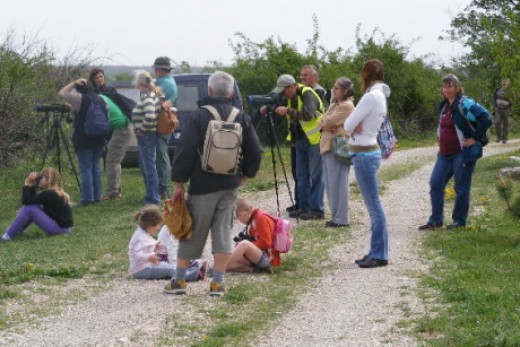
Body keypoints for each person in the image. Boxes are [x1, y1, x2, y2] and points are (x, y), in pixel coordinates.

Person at [164, 71, 262, 297]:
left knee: (192, 232)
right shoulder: (241, 116)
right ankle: (217, 283)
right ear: (230, 92)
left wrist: (179, 183)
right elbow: (255, 151)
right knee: (223, 233)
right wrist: (245, 175)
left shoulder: (199, 116)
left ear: (209, 90)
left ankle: (179, 281)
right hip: (229, 184)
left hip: (202, 185)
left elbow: (185, 150)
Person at [418, 73, 492, 231]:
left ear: (457, 87)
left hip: (462, 153)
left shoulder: (465, 103)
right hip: (444, 154)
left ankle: (459, 222)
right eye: (444, 86)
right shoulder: (443, 106)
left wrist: (475, 138)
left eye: (450, 85)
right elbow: (442, 128)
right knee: (436, 184)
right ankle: (436, 220)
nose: (447, 88)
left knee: (461, 188)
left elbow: (486, 118)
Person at [343, 59, 390, 268]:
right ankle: (375, 250)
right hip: (369, 152)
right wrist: (355, 125)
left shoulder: (371, 97)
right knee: (373, 206)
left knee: (374, 207)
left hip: (363, 154)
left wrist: (354, 125)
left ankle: (379, 254)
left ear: (365, 75)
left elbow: (347, 124)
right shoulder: (380, 95)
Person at [265, 74, 325, 220]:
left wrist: (287, 111)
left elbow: (308, 115)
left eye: (284, 91)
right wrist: (269, 109)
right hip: (300, 139)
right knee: (301, 175)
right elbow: (281, 106)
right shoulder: (290, 97)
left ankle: (317, 210)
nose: (283, 94)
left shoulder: (307, 94)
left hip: (315, 139)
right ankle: (303, 208)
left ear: (292, 87)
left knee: (315, 176)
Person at [59, 78, 106, 206]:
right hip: (99, 138)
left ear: (79, 90)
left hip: (84, 139)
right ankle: (97, 196)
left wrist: (74, 82)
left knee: (85, 169)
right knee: (96, 168)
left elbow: (62, 93)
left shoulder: (80, 98)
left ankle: (87, 198)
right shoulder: (100, 99)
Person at [128, 204, 207, 280]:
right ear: (151, 225)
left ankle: (194, 267)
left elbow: (145, 248)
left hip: (146, 266)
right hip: (141, 269)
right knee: (170, 269)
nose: (159, 228)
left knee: (168, 266)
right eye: (158, 225)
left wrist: (155, 247)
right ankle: (196, 274)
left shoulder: (143, 233)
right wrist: (148, 257)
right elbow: (137, 253)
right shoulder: (140, 236)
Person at [89, 67, 132, 200]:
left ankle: (113, 192)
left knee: (112, 161)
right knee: (113, 160)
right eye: (97, 77)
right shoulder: (98, 95)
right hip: (117, 129)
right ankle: (115, 190)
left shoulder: (106, 93)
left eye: (101, 76)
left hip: (121, 128)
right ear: (93, 81)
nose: (100, 79)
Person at [319, 77, 355, 228]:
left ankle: (341, 218)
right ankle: (336, 216)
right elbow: (322, 122)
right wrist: (327, 121)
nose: (333, 91)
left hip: (337, 148)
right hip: (328, 146)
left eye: (337, 89)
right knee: (330, 183)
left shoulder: (346, 106)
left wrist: (328, 122)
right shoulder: (335, 105)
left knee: (338, 183)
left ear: (345, 91)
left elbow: (326, 122)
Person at [1, 167, 73, 241]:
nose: (38, 180)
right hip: (65, 229)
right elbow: (32, 201)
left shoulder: (48, 194)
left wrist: (27, 184)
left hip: (60, 229)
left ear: (49, 179)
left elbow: (26, 201)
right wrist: (31, 185)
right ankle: (16, 230)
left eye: (41, 177)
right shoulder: (53, 192)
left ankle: (7, 236)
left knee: (29, 209)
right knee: (32, 207)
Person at [226, 198, 281, 273]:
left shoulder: (261, 218)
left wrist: (248, 245)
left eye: (238, 218)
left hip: (268, 258)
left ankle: (220, 269)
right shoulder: (254, 219)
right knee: (228, 260)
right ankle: (253, 269)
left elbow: (266, 243)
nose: (240, 221)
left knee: (244, 244)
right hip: (257, 256)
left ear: (241, 214)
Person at [131, 70, 162, 205]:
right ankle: (151, 195)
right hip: (148, 135)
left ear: (139, 83)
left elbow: (149, 116)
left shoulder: (148, 96)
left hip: (147, 135)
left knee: (149, 167)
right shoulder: (150, 95)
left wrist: (141, 130)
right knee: (147, 166)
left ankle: (153, 197)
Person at [153, 57, 178, 199]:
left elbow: (159, 104)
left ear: (161, 70)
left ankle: (163, 188)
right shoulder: (168, 81)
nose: (155, 71)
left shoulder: (164, 84)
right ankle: (163, 187)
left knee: (161, 155)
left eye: (156, 69)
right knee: (162, 155)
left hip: (162, 121)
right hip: (166, 121)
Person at [494, 78, 513, 144]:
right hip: (498, 109)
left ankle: (505, 138)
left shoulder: (510, 91)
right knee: (497, 122)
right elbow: (494, 98)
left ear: (508, 83)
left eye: (505, 82)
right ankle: (499, 137)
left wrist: (510, 109)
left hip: (506, 109)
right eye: (503, 82)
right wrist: (495, 106)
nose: (504, 83)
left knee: (506, 124)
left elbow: (513, 100)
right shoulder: (497, 90)